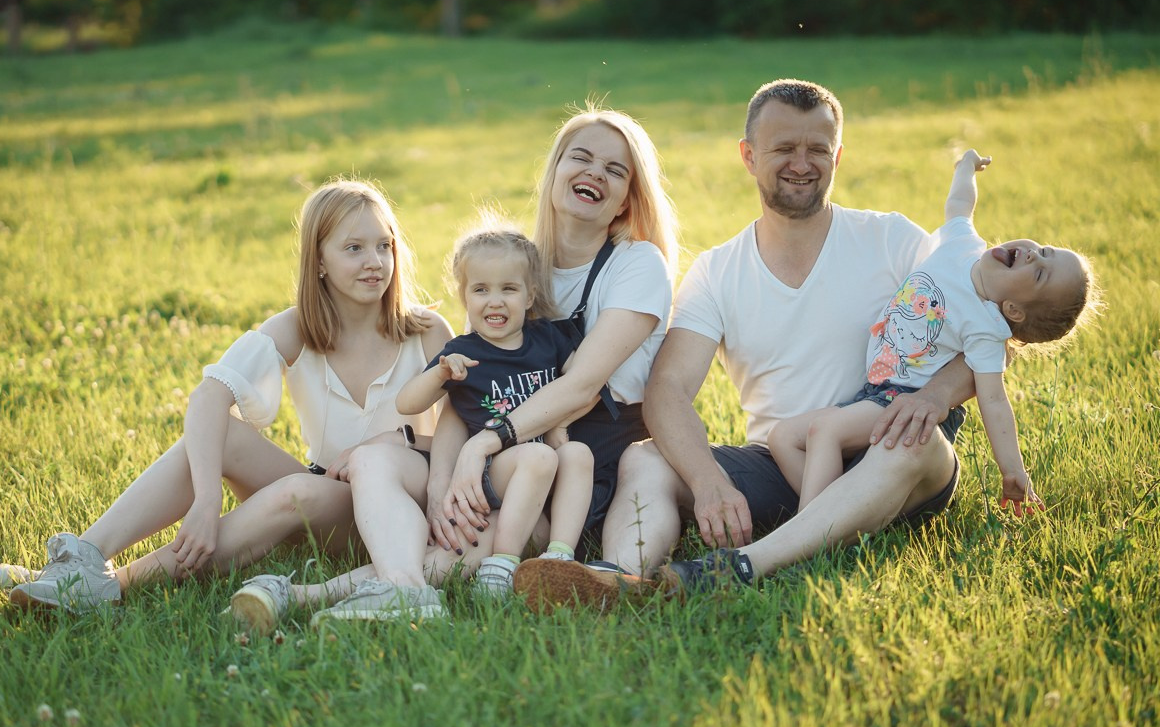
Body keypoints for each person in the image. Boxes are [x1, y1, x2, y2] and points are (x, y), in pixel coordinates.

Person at [514, 78, 980, 607]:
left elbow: (987, 338)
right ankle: (620, 580)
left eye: (817, 149)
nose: (801, 164)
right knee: (645, 460)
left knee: (915, 441)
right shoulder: (717, 271)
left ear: (837, 156)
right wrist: (708, 480)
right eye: (783, 148)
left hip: (893, 454)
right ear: (749, 156)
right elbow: (667, 390)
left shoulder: (894, 239)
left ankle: (739, 566)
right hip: (781, 466)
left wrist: (934, 396)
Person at [229, 105, 679, 631]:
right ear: (554, 171)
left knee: (475, 538)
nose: (595, 173)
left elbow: (579, 388)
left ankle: (303, 594)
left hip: (574, 458)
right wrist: (443, 481)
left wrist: (482, 446)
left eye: (615, 169)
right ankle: (390, 589)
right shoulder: (514, 263)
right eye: (580, 158)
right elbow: (470, 395)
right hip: (502, 449)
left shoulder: (636, 264)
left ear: (628, 198)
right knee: (387, 466)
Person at [1, 178, 453, 614]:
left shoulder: (427, 332)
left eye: (384, 245)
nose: (374, 261)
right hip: (328, 490)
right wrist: (206, 501)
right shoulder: (297, 327)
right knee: (224, 436)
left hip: (398, 504)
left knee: (296, 491)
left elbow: (466, 431)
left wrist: (390, 442)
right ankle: (82, 558)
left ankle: (113, 586)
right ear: (319, 260)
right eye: (354, 248)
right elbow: (208, 397)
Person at [769, 149, 1096, 517]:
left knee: (824, 432)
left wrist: (1013, 471)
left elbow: (994, 403)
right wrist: (965, 167)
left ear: (1014, 310)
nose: (1034, 255)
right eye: (1045, 251)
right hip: (873, 392)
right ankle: (838, 513)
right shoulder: (962, 244)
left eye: (1039, 275)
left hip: (906, 402)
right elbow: (960, 204)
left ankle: (812, 533)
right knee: (783, 438)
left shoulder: (985, 328)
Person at [396, 223, 595, 595]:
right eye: (481, 289)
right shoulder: (464, 351)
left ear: (530, 295)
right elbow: (407, 403)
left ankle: (560, 557)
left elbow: (586, 385)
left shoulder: (548, 338)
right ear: (464, 297)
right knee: (538, 456)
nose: (495, 301)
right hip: (490, 471)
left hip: (542, 466)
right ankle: (500, 565)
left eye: (508, 288)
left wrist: (560, 424)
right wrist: (440, 373)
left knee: (578, 454)